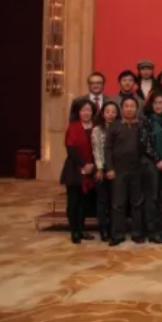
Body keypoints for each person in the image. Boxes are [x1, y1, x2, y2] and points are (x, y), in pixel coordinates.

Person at [105, 96, 145, 246]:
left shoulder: (141, 125)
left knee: (137, 203)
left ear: (137, 109)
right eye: (126, 106)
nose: (129, 109)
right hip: (118, 170)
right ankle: (117, 234)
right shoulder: (114, 126)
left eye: (132, 106)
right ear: (121, 109)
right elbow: (107, 148)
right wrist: (109, 168)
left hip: (137, 170)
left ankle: (137, 233)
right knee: (118, 204)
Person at [139, 92, 162, 244]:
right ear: (151, 105)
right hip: (150, 163)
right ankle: (151, 231)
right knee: (151, 198)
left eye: (161, 102)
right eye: (156, 103)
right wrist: (157, 160)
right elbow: (145, 143)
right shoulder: (145, 121)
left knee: (161, 198)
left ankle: (160, 229)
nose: (159, 105)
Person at [62, 99, 96, 244]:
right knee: (73, 202)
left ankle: (82, 229)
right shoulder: (73, 127)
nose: (86, 113)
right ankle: (74, 231)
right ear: (78, 112)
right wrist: (84, 164)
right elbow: (70, 148)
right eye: (83, 110)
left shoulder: (96, 127)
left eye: (89, 110)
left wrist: (92, 165)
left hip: (91, 169)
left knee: (84, 202)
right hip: (74, 168)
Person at [92, 101, 120, 242]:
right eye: (107, 111)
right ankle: (103, 229)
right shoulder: (97, 130)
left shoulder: (121, 128)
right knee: (102, 200)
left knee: (115, 201)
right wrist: (100, 168)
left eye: (113, 111)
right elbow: (96, 150)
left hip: (118, 169)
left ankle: (114, 228)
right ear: (102, 114)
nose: (111, 114)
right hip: (101, 168)